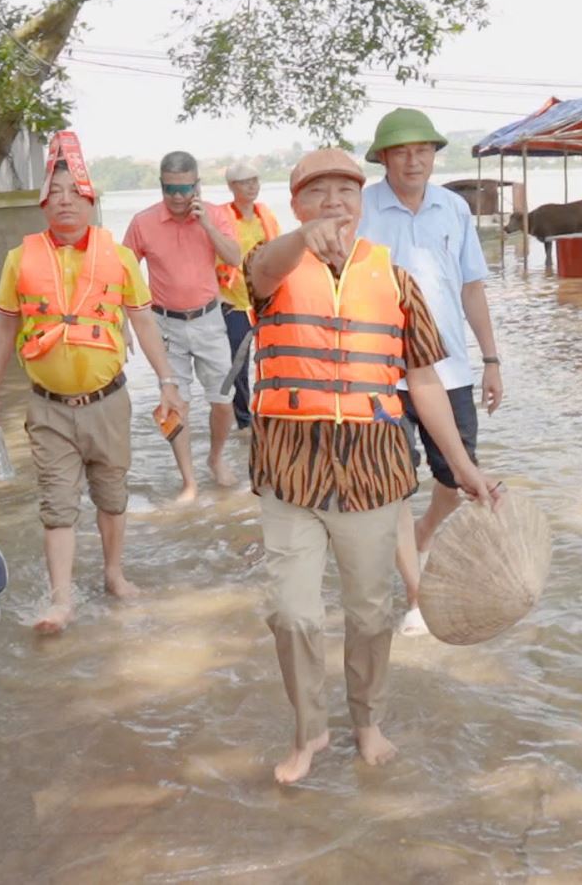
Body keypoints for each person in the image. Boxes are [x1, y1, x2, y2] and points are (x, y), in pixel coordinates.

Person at [244, 148, 499, 785]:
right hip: (289, 470)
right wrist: (302, 240)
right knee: (293, 612)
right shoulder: (272, 266)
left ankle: (367, 720)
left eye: (346, 193)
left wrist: (464, 467)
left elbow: (424, 380)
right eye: (318, 193)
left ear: (362, 204)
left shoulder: (394, 277)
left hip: (373, 468)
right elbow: (262, 270)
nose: (334, 203)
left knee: (369, 612)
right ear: (295, 204)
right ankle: (309, 732)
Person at [0, 133, 186, 635]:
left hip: (108, 402)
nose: (65, 200)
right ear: (43, 201)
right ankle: (61, 600)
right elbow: (5, 327)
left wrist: (168, 381)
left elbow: (143, 321)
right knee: (57, 501)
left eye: (76, 191)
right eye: (56, 192)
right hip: (48, 407)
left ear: (92, 199)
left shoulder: (119, 257)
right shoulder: (18, 260)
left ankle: (114, 575)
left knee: (112, 494)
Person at [357, 108, 504, 637]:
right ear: (383, 158)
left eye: (423, 149)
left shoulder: (454, 208)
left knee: (457, 475)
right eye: (402, 150)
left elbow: (471, 288)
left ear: (435, 155)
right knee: (395, 484)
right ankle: (418, 597)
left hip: (448, 368)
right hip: (378, 371)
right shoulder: (362, 209)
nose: (414, 159)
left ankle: (425, 531)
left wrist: (490, 360)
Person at [123, 151, 242, 501]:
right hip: (164, 324)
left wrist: (204, 223)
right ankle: (188, 480)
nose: (177, 197)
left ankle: (216, 458)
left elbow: (235, 258)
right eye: (170, 189)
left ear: (197, 185)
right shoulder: (143, 223)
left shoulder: (216, 215)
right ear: (161, 186)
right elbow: (121, 274)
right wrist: (123, 322)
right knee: (175, 406)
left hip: (208, 319)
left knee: (224, 400)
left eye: (185, 189)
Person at [213, 161, 281, 429]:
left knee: (274, 359)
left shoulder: (267, 215)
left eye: (255, 179)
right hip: (232, 301)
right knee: (237, 366)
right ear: (231, 187)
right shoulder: (221, 218)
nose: (252, 185)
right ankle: (243, 421)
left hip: (265, 299)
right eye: (245, 181)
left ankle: (272, 412)